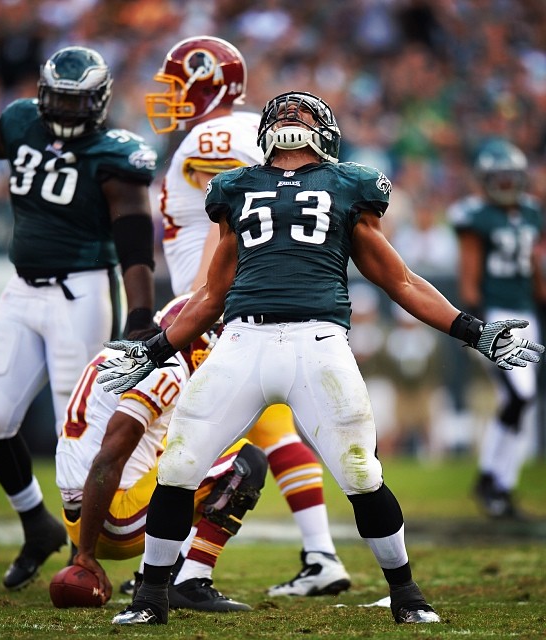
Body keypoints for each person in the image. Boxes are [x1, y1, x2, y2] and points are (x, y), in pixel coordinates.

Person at [95, 91, 544, 626]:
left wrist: (474, 332)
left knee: (360, 472)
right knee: (179, 465)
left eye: (303, 112)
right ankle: (151, 597)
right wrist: (154, 351)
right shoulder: (235, 188)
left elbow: (398, 279)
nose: (291, 117)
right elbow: (211, 296)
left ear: (325, 131)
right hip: (242, 342)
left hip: (319, 343)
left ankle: (406, 593)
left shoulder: (348, 184)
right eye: (282, 111)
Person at [0, 16, 158, 590]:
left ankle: (84, 552)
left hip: (83, 293)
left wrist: (140, 313)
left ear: (97, 102)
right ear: (44, 95)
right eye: (59, 100)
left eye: (77, 102)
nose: (66, 112)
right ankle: (36, 525)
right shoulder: (22, 123)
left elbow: (134, 239)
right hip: (21, 290)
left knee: (80, 435)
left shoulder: (115, 154)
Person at [142, 34, 351, 598]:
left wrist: (204, 300)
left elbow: (232, 216)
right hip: (233, 307)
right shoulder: (238, 130)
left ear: (209, 81)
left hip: (217, 307)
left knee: (190, 441)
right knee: (273, 429)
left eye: (176, 84)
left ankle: (177, 569)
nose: (168, 96)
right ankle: (321, 555)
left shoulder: (219, 134)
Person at [56, 293, 267, 612]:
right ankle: (188, 580)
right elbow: (107, 459)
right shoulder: (166, 369)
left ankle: (152, 574)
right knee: (244, 461)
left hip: (81, 511)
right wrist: (85, 554)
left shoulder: (129, 355)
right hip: (108, 517)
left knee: (184, 450)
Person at [447, 139, 545, 519]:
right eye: (498, 179)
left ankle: (499, 483)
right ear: (485, 180)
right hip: (497, 316)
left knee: (520, 401)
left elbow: (535, 268)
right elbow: (468, 278)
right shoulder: (476, 216)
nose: (505, 186)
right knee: (519, 398)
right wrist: (479, 328)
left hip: (528, 314)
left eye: (510, 178)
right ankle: (492, 479)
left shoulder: (533, 213)